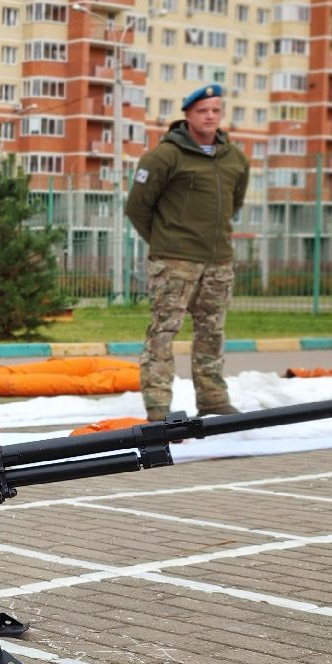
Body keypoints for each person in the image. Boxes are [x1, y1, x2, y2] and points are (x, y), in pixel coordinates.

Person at [124, 83, 250, 421]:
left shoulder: (234, 157)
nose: (210, 116)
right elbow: (137, 207)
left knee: (212, 332)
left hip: (218, 262)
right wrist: (166, 244)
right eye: (202, 111)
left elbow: (233, 203)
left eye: (215, 110)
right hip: (175, 263)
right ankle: (158, 405)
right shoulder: (165, 156)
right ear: (188, 115)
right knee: (163, 332)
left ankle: (213, 399)